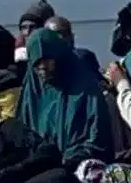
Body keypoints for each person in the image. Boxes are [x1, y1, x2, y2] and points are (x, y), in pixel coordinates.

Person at [18, 27, 117, 167]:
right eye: (37, 63)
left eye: (47, 60)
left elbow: (99, 140)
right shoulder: (31, 92)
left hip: (77, 170)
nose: (43, 67)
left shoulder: (85, 89)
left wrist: (69, 159)